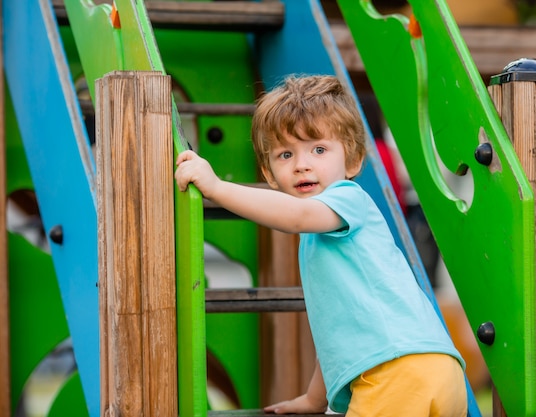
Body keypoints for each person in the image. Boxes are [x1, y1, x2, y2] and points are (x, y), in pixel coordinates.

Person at [175, 74, 467, 416]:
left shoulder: (347, 199)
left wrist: (217, 188)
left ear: (353, 161)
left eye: (318, 149)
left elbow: (297, 216)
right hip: (434, 369)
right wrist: (315, 400)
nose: (302, 165)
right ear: (269, 174)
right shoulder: (322, 237)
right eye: (285, 154)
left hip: (394, 372)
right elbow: (337, 332)